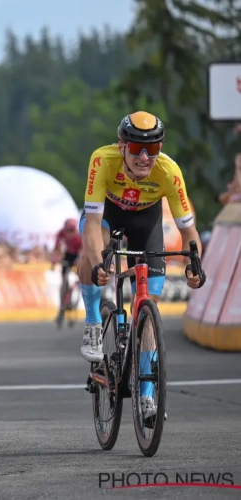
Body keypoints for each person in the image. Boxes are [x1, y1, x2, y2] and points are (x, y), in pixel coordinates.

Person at [79, 111, 204, 420]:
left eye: (153, 149)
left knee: (149, 308)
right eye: (136, 149)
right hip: (108, 214)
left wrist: (195, 265)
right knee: (92, 253)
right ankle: (94, 323)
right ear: (122, 147)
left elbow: (189, 232)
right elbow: (92, 223)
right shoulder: (102, 160)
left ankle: (146, 396)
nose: (145, 157)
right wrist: (97, 263)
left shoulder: (168, 171)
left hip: (146, 222)